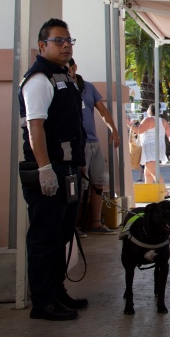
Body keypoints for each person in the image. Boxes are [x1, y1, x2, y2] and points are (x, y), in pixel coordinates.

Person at [18, 18, 87, 321]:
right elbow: (35, 128)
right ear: (42, 46)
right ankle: (43, 302)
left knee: (62, 234)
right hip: (49, 169)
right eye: (59, 41)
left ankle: (57, 293)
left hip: (67, 168)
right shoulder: (39, 79)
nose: (66, 45)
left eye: (69, 40)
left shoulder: (64, 75)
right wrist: (45, 169)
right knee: (45, 238)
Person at [66, 59, 120, 234]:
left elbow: (102, 110)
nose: (66, 71)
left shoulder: (88, 87)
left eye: (68, 67)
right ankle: (73, 225)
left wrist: (114, 130)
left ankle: (95, 222)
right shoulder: (60, 88)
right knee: (77, 186)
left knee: (98, 183)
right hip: (75, 144)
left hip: (93, 142)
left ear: (74, 67)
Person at [134, 104, 170, 198]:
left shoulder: (148, 119)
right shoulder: (164, 121)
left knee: (154, 172)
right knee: (148, 173)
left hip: (149, 147)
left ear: (149, 110)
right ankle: (148, 193)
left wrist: (129, 124)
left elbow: (139, 130)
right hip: (159, 147)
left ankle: (164, 191)